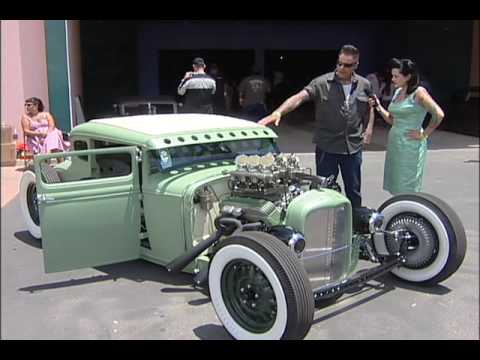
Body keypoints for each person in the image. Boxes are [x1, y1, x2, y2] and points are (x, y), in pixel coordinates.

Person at [259, 44, 374, 209]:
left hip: (353, 148)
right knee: (323, 191)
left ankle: (355, 224)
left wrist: (369, 127)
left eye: (347, 65)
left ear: (356, 65)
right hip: (327, 147)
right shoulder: (322, 83)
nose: (341, 68)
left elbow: (371, 106)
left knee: (354, 191)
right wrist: (278, 112)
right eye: (339, 63)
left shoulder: (364, 84)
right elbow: (299, 97)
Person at [368, 58, 444, 195]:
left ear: (408, 76)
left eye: (396, 76)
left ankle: (409, 211)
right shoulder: (398, 92)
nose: (392, 79)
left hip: (410, 145)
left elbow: (438, 114)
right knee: (396, 182)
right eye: (392, 75)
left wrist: (424, 133)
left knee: (407, 184)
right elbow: (392, 120)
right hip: (395, 143)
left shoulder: (419, 93)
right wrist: (378, 107)